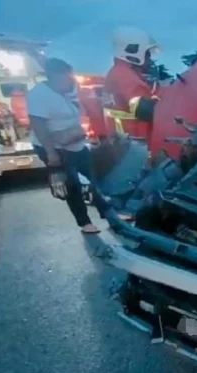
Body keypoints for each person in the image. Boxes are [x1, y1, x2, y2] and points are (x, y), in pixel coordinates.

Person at [27, 58, 118, 234]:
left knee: (93, 178)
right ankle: (84, 222)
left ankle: (108, 212)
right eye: (64, 77)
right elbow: (38, 126)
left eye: (70, 76)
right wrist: (51, 153)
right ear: (52, 76)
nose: (69, 80)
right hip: (52, 146)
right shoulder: (38, 94)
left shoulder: (72, 89)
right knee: (72, 184)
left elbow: (85, 111)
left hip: (75, 142)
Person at [101, 26, 161, 144]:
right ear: (133, 51)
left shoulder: (117, 72)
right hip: (133, 141)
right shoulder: (126, 76)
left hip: (122, 140)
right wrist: (167, 108)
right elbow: (143, 110)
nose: (149, 59)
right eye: (147, 54)